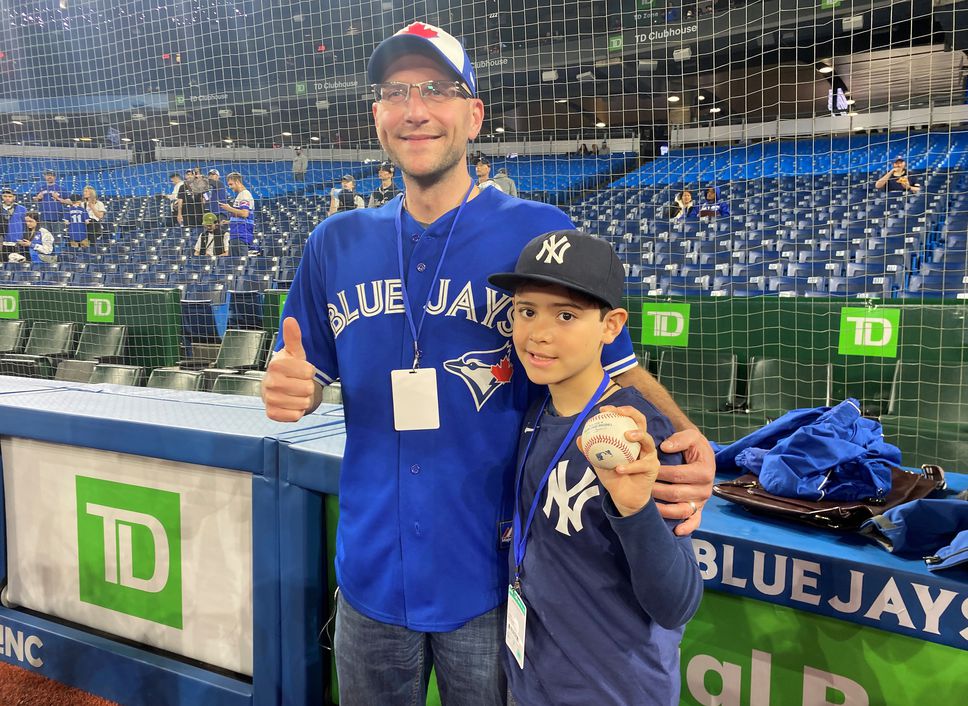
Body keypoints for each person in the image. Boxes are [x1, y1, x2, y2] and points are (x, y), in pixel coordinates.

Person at [261, 21, 713, 706]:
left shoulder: (536, 233)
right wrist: (289, 389)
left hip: (490, 577)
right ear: (376, 113)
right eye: (396, 91)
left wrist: (692, 438)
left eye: (437, 90)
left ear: (473, 114)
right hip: (370, 573)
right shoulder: (335, 242)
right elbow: (301, 372)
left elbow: (615, 369)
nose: (415, 109)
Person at [488, 230, 702, 705]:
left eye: (566, 315)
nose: (538, 333)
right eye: (526, 311)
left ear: (611, 326)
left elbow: (677, 603)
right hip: (532, 680)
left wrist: (636, 510)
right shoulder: (537, 412)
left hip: (614, 689)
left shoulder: (638, 433)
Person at [218, 171, 255, 257]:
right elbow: (241, 216)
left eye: (231, 184)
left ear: (238, 182)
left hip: (241, 235)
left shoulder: (245, 195)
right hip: (236, 235)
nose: (230, 187)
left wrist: (229, 208)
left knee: (239, 263)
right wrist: (228, 221)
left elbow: (245, 214)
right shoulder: (240, 195)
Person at [0, 188, 27, 254]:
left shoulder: (22, 209)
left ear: (14, 197)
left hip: (18, 243)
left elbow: (25, 225)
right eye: (5, 196)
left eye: (10, 196)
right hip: (3, 243)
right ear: (2, 197)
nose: (7, 198)